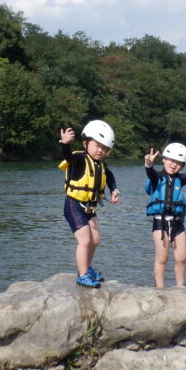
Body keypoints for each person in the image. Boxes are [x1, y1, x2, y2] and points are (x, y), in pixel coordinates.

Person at [59, 120, 120, 288]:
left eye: (104, 148)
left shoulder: (101, 165)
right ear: (86, 143)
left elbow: (110, 178)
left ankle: (87, 267)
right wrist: (65, 144)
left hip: (90, 208)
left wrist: (114, 190)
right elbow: (67, 157)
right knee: (85, 240)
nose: (100, 150)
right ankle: (82, 274)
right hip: (74, 205)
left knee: (95, 239)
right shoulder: (79, 158)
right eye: (97, 145)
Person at [144, 143, 186, 288]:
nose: (173, 165)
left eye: (178, 163)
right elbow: (151, 174)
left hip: (178, 223)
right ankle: (160, 288)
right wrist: (148, 165)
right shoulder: (157, 177)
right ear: (164, 159)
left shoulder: (180, 179)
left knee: (181, 257)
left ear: (182, 166)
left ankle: (180, 286)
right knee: (162, 258)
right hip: (160, 222)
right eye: (171, 160)